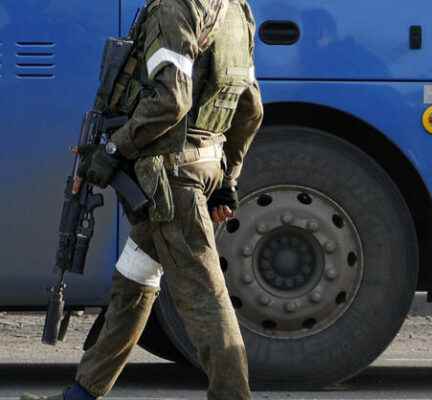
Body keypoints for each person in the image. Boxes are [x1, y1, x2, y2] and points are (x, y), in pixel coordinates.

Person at [23, 0, 263, 399]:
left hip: (171, 181)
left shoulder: (173, 8)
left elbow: (172, 100)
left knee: (205, 298)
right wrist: (227, 180)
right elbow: (250, 107)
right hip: (200, 167)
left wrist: (113, 151)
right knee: (133, 283)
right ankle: (84, 392)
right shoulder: (237, 10)